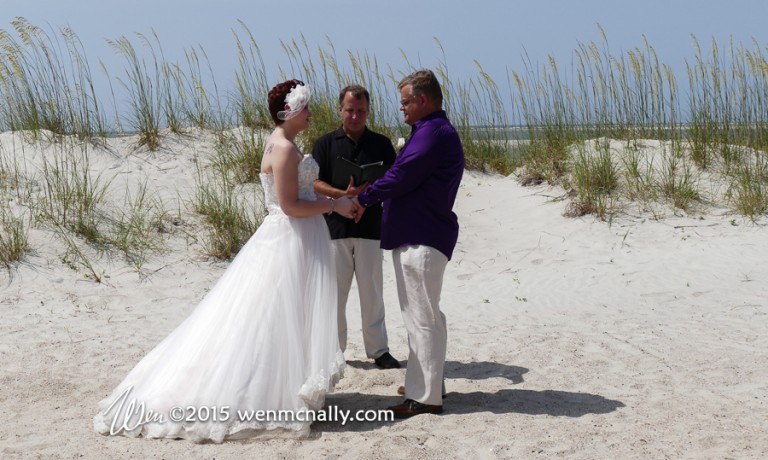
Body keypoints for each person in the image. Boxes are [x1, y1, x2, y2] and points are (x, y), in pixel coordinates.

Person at [93, 79, 358, 442]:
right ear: (288, 113)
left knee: (286, 314)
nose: (311, 114)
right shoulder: (282, 148)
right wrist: (335, 205)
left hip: (299, 238)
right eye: (305, 108)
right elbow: (289, 205)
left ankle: (284, 386)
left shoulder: (286, 144)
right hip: (289, 239)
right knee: (270, 315)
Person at [353, 69, 464, 418]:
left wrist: (365, 197)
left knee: (423, 317)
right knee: (422, 316)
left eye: (405, 101)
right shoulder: (428, 131)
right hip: (416, 234)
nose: (401, 107)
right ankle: (428, 383)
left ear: (423, 100)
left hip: (423, 235)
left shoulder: (434, 133)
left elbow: (402, 175)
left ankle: (426, 397)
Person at [311, 84, 400, 370]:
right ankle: (335, 351)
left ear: (368, 111)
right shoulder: (325, 143)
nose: (355, 116)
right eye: (350, 110)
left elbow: (393, 180)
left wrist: (367, 192)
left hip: (371, 225)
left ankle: (378, 350)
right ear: (341, 109)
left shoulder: (382, 144)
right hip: (334, 226)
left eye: (361, 111)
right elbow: (313, 183)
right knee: (335, 293)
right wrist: (342, 194)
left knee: (372, 291)